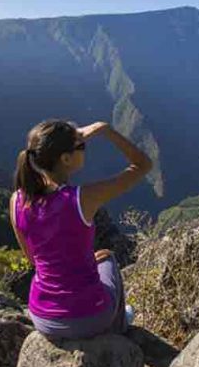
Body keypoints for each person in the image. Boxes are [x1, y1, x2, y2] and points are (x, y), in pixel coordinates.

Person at [9, 118, 152, 339]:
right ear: (66, 159)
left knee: (98, 257)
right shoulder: (82, 198)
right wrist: (106, 131)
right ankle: (120, 325)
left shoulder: (17, 201)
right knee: (107, 258)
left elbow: (34, 259)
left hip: (43, 318)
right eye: (81, 146)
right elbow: (143, 165)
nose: (85, 150)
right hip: (90, 318)